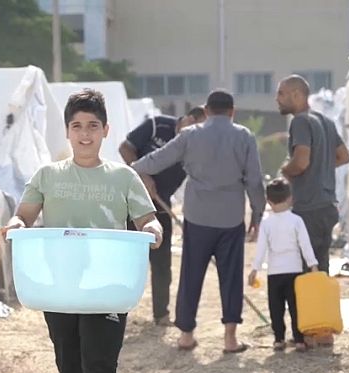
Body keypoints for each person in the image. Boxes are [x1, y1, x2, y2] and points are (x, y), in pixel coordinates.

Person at [2, 89, 163, 373]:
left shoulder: (124, 177)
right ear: (67, 131)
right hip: (60, 286)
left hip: (108, 285)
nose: (85, 134)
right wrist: (14, 224)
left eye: (93, 126)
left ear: (106, 130)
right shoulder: (48, 175)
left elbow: (148, 219)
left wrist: (153, 230)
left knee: (100, 365)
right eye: (77, 126)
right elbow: (23, 216)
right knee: (69, 363)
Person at [132, 89, 266, 354]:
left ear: (205, 111)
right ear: (232, 112)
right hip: (230, 218)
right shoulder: (244, 137)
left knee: (191, 274)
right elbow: (255, 181)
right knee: (230, 278)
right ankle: (229, 338)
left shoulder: (190, 135)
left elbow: (155, 161)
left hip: (197, 217)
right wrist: (258, 214)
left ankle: (186, 335)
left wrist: (134, 169)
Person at [119, 107, 207, 326]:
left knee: (161, 265)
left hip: (160, 207)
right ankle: (117, 311)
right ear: (190, 118)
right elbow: (125, 147)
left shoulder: (195, 146)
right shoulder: (158, 124)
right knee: (127, 262)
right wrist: (142, 174)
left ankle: (161, 314)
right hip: (130, 203)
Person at [276, 75, 349, 274]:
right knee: (320, 269)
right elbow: (343, 156)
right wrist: (321, 165)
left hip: (308, 207)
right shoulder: (325, 121)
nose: (277, 99)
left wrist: (285, 170)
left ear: (297, 95)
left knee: (303, 271)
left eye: (281, 93)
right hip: (327, 207)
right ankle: (319, 306)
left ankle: (304, 307)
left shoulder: (300, 122)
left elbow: (301, 162)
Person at [249, 178, 319, 351]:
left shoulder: (266, 223)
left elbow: (261, 249)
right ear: (290, 199)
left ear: (269, 201)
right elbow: (305, 244)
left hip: (274, 273)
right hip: (294, 271)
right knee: (296, 307)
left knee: (276, 308)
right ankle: (299, 339)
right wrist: (313, 265)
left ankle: (279, 338)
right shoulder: (296, 220)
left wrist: (254, 269)